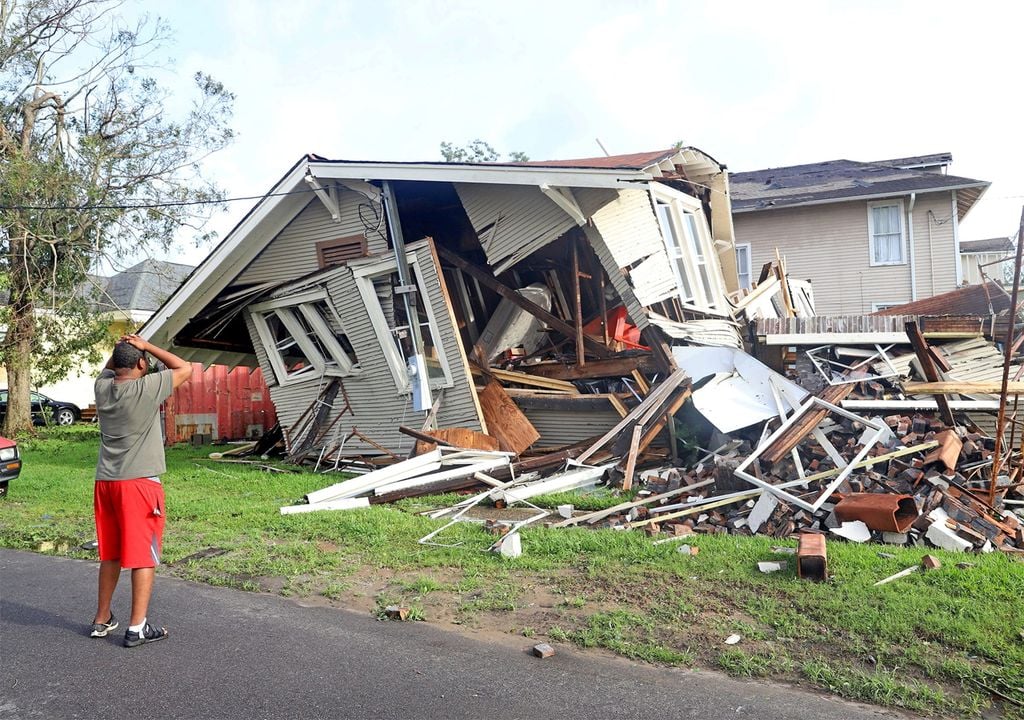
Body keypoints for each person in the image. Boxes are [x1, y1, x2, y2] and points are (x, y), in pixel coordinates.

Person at [89, 334, 192, 647]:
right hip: (139, 485)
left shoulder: (103, 387)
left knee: (112, 554)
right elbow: (184, 367)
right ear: (142, 364)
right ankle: (137, 627)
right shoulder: (146, 387)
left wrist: (124, 352)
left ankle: (101, 619)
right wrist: (145, 345)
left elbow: (112, 368)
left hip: (106, 482)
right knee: (143, 556)